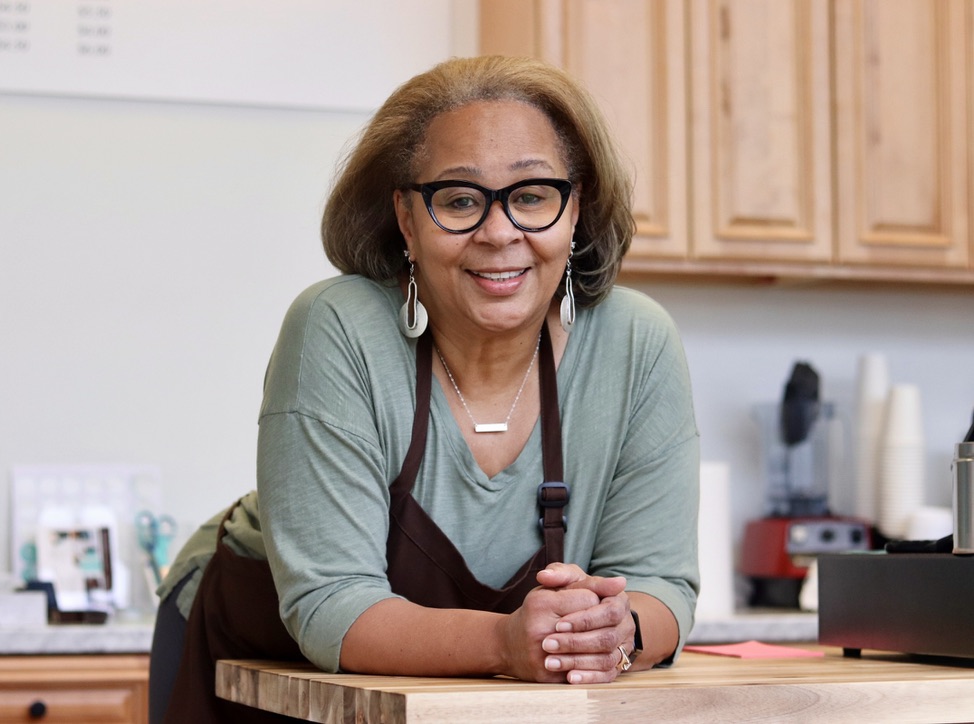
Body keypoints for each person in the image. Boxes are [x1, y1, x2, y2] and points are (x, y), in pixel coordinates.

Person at [149, 54, 699, 723]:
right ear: (408, 220)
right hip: (262, 654)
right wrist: (504, 641)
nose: (499, 233)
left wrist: (618, 633)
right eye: (460, 200)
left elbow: (661, 586)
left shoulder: (637, 342)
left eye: (531, 196)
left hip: (486, 682)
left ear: (576, 209)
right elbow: (332, 605)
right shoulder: (337, 326)